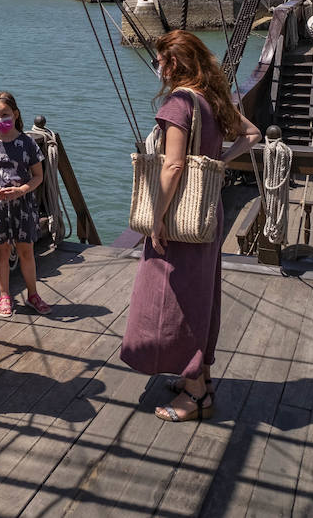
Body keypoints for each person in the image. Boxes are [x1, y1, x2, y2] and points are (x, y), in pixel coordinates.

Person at [119, 30, 261, 422]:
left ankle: (197, 393)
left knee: (177, 300)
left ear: (174, 64)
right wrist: (218, 161)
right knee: (200, 294)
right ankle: (199, 377)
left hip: (179, 219)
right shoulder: (212, 99)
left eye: (159, 61)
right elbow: (253, 134)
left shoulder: (179, 104)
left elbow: (174, 165)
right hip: (206, 213)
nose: (158, 68)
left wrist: (157, 218)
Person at [0, 91, 50, 317]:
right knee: (1, 251)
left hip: (23, 206)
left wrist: (21, 190)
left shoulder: (27, 144)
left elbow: (38, 176)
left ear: (15, 114)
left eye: (5, 114)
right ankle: (4, 295)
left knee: (26, 251)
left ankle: (33, 294)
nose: (0, 120)